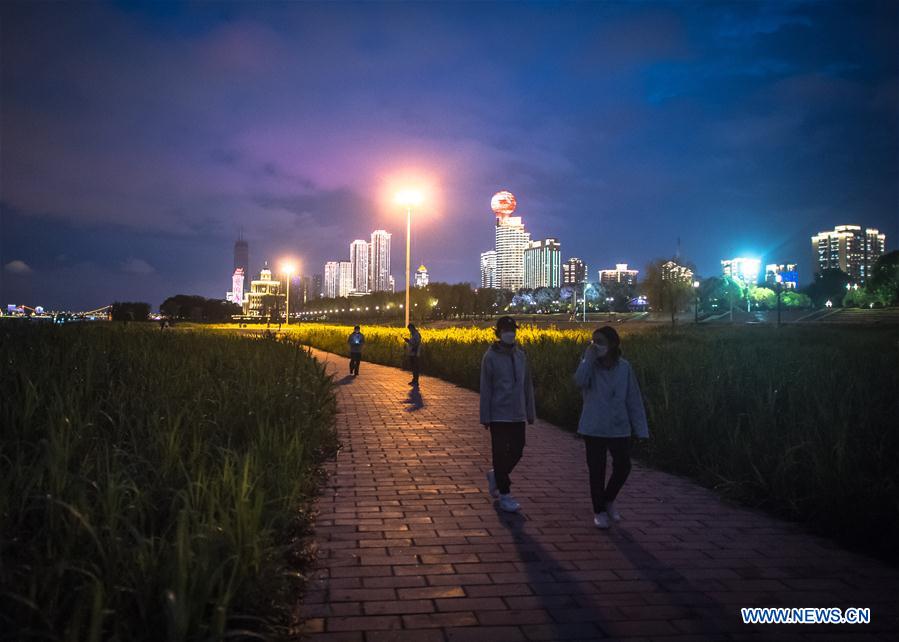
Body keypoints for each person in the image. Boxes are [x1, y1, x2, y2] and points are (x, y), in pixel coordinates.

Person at [573, 326, 649, 529]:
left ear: (612, 343)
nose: (596, 345)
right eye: (593, 341)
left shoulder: (624, 367)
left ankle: (608, 499)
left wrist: (641, 429)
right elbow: (579, 381)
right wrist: (588, 358)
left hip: (618, 426)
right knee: (596, 470)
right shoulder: (590, 366)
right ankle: (598, 510)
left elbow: (633, 398)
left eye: (600, 341)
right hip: (594, 426)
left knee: (623, 466)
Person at [479, 316, 536, 513]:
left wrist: (530, 412)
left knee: (518, 450)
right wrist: (485, 415)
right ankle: (505, 494)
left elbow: (527, 385)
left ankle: (496, 475)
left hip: (518, 413)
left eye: (512, 329)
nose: (510, 333)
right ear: (498, 333)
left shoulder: (521, 356)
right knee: (500, 453)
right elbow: (485, 387)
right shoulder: (490, 357)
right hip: (498, 414)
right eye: (506, 330)